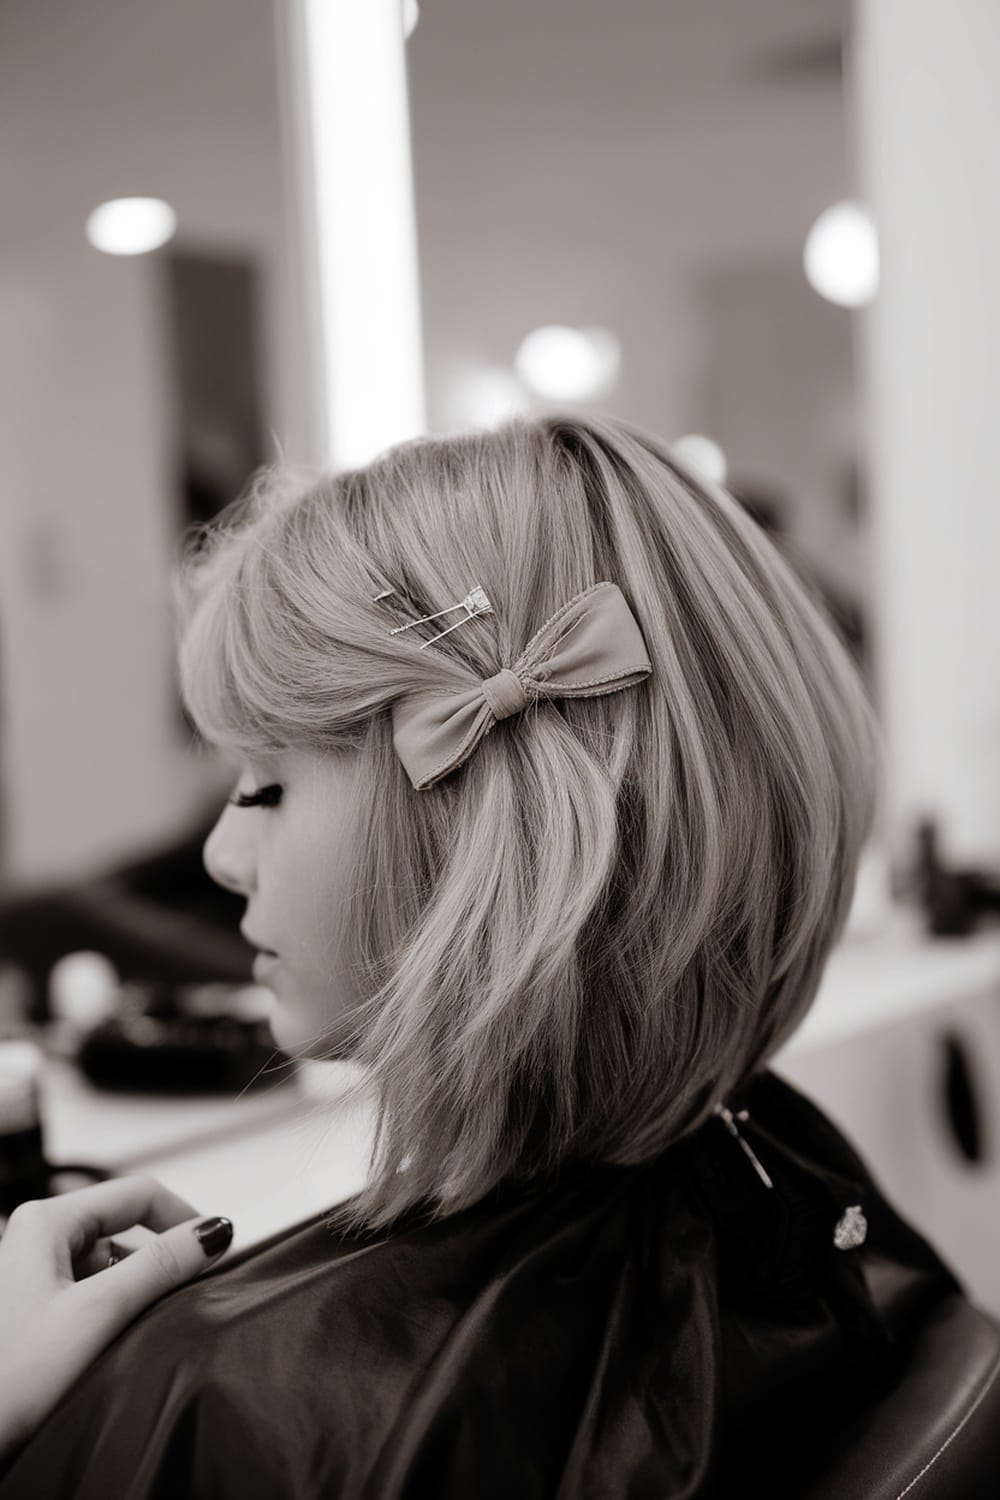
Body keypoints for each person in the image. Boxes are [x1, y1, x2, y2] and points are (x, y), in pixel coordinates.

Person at [0, 413, 965, 1496]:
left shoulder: (242, 1412)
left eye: (267, 784)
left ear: (481, 844)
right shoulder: (776, 1169)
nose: (223, 854)